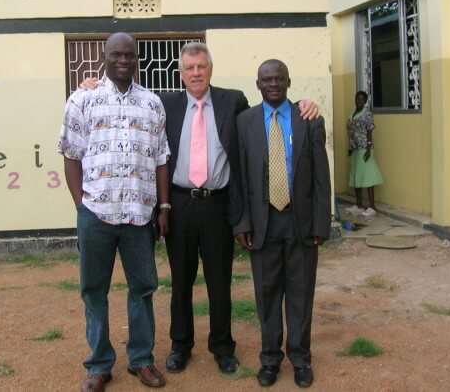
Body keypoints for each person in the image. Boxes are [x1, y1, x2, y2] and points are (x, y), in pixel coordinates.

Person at [78, 42, 319, 377]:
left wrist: (304, 103)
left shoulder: (233, 101)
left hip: (218, 203)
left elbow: (268, 112)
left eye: (201, 67)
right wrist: (91, 84)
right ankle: (180, 346)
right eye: (189, 68)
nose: (196, 74)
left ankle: (222, 347)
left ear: (210, 70)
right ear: (180, 73)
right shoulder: (164, 103)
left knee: (220, 281)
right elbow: (128, 99)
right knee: (181, 281)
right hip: (179, 204)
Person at [58, 32, 170, 392]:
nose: (123, 60)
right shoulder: (82, 100)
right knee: (94, 290)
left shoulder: (152, 104)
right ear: (104, 57)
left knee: (143, 288)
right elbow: (71, 155)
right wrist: (81, 205)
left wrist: (163, 206)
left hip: (139, 215)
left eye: (130, 55)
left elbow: (161, 159)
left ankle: (141, 359)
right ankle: (99, 364)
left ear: (137, 59)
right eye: (116, 55)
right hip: (96, 214)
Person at [234, 59, 331, 388]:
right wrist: (242, 223)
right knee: (267, 294)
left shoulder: (309, 119)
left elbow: (321, 176)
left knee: (301, 294)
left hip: (300, 221)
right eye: (267, 79)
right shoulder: (245, 122)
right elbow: (240, 177)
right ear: (258, 85)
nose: (273, 84)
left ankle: (301, 359)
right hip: (262, 224)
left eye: (279, 78)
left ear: (288, 82)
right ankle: (270, 359)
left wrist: (321, 223)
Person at [346, 90, 384, 218]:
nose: (359, 101)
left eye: (362, 99)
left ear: (365, 101)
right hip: (355, 149)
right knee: (357, 176)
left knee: (368, 177)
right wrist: (350, 148)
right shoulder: (352, 113)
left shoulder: (367, 114)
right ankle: (358, 204)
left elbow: (369, 132)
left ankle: (372, 206)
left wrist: (368, 149)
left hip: (364, 149)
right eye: (357, 99)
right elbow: (351, 132)